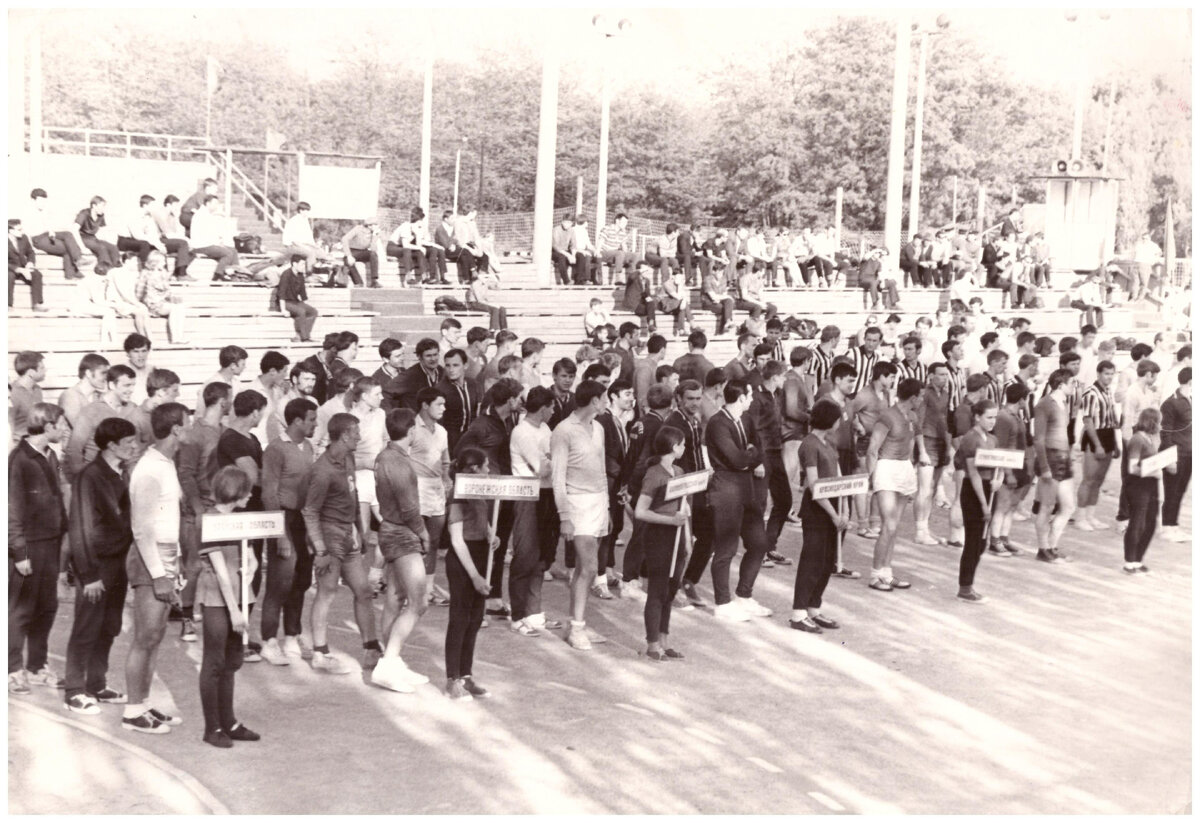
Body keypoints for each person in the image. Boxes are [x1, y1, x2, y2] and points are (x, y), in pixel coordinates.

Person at [123, 402, 189, 734]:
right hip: (150, 562)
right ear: (176, 429)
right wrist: (159, 574)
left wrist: (173, 567)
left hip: (166, 557)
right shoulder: (149, 468)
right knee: (145, 637)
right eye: (186, 424)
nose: (189, 429)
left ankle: (144, 703)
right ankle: (133, 711)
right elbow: (142, 529)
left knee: (156, 635)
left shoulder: (165, 464)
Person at [62, 417, 136, 712]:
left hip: (119, 563)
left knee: (109, 626)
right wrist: (90, 575)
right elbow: (80, 529)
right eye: (128, 443)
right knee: (86, 626)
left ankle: (96, 683)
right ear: (110, 445)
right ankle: (74, 690)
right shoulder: (89, 477)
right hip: (96, 566)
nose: (133, 447)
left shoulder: (122, 472)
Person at [303, 413, 380, 674]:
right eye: (356, 432)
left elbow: (354, 493)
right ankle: (320, 652)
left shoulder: (347, 458)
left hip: (347, 535)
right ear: (345, 434)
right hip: (329, 536)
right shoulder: (322, 470)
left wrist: (361, 528)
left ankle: (371, 649)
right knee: (327, 592)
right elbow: (310, 511)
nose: (360, 436)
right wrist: (320, 549)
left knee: (364, 590)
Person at [195, 467, 262, 747]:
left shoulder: (236, 520)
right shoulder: (209, 521)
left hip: (239, 595)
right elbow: (221, 572)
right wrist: (235, 610)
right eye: (246, 491)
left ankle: (229, 721)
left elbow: (249, 555)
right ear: (235, 492)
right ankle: (212, 728)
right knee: (214, 661)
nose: (250, 496)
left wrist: (254, 564)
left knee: (232, 660)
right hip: (218, 598)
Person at [369, 408, 432, 693]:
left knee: (395, 598)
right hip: (402, 535)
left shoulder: (385, 456)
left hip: (391, 532)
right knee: (419, 602)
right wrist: (424, 534)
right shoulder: (399, 463)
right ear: (410, 431)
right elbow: (409, 508)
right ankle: (389, 662)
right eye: (416, 426)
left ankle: (390, 661)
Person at [9, 403, 69, 697]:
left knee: (47, 607)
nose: (64, 430)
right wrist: (19, 553)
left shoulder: (52, 455)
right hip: (29, 546)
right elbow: (11, 509)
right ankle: (12, 670)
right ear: (47, 427)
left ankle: (36, 666)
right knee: (21, 610)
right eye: (60, 425)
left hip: (51, 543)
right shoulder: (18, 460)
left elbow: (57, 497)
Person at [551, 380, 611, 649]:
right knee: (589, 567)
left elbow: (601, 470)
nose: (607, 401)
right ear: (595, 401)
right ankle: (576, 629)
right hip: (576, 505)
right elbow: (557, 476)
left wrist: (607, 507)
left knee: (583, 571)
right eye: (605, 397)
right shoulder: (563, 430)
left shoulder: (598, 427)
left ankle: (578, 623)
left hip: (598, 503)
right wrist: (564, 514)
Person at [705, 380, 771, 622]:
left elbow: (758, 449)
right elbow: (736, 459)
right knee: (726, 548)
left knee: (759, 543)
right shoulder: (717, 423)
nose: (752, 400)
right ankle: (722, 603)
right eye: (749, 395)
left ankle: (744, 595)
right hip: (726, 489)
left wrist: (750, 456)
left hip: (747, 488)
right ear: (741, 397)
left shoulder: (746, 419)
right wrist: (751, 456)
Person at [257, 398, 317, 664]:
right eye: (312, 419)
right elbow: (269, 492)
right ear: (297, 421)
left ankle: (292, 635)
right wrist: (280, 532)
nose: (316, 424)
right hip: (283, 518)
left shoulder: (309, 447)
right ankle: (269, 641)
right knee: (280, 582)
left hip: (304, 521)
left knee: (301, 580)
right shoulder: (275, 449)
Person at [789, 399, 849, 633]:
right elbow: (814, 484)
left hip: (834, 504)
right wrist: (834, 514)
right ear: (828, 420)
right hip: (818, 508)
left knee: (827, 560)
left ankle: (813, 606)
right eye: (836, 418)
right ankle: (798, 612)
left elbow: (839, 475)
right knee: (812, 560)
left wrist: (843, 509)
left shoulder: (828, 442)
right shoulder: (809, 444)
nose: (839, 422)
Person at [508, 387, 562, 636]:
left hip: (547, 495)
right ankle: (518, 615)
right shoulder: (522, 432)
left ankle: (534, 612)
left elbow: (552, 461)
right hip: (527, 496)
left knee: (543, 558)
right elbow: (542, 467)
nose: (553, 412)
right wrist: (554, 459)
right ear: (543, 408)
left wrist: (552, 460)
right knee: (526, 556)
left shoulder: (544, 429)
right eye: (552, 407)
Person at [443, 447, 496, 699]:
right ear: (474, 469)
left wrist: (489, 533)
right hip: (463, 560)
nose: (489, 471)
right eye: (486, 466)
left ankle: (466, 676)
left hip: (480, 552)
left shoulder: (479, 490)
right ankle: (452, 678)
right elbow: (456, 540)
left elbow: (481, 517)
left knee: (475, 619)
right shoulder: (457, 494)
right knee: (460, 618)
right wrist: (475, 576)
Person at [634, 427, 690, 660]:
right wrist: (670, 520)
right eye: (683, 444)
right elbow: (640, 511)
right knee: (657, 590)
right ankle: (652, 643)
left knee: (670, 590)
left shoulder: (678, 471)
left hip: (677, 537)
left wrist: (687, 538)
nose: (685, 448)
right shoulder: (654, 474)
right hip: (659, 537)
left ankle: (664, 641)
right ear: (674, 447)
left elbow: (684, 507)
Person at [409, 388, 453, 607]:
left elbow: (445, 461)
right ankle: (409, 591)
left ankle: (427, 591)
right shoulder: (412, 429)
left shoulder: (442, 432)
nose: (444, 408)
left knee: (433, 542)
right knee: (415, 541)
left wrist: (446, 479)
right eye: (439, 404)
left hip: (436, 489)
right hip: (416, 488)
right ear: (425, 405)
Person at [954, 399, 1000, 603]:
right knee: (973, 541)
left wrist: (999, 480)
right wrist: (983, 504)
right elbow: (973, 474)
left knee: (982, 542)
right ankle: (965, 587)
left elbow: (998, 465)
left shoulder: (992, 439)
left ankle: (969, 584)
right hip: (974, 492)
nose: (992, 421)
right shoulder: (971, 439)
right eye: (989, 417)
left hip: (990, 489)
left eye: (994, 417)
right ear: (977, 417)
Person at [64, 364, 137, 483]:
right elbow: (74, 449)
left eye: (133, 385)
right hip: (96, 478)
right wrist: (83, 480)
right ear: (112, 385)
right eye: (127, 385)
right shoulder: (91, 410)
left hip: (122, 479)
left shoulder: (132, 409)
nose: (131, 390)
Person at [1032, 369, 1077, 564]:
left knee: (1068, 506)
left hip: (1063, 458)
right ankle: (1043, 548)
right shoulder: (1045, 404)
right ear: (1061, 384)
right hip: (1050, 458)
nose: (1074, 387)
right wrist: (1043, 467)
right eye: (1072, 383)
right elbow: (1039, 438)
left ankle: (1051, 545)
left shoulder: (1063, 403)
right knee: (1047, 506)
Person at [1115, 359, 1161, 533]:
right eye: (1154, 376)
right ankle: (1123, 517)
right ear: (1148, 374)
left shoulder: (1147, 391)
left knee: (1143, 475)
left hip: (1144, 433)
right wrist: (1128, 445)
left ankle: (1136, 515)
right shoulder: (1132, 393)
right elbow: (1126, 421)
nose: (1155, 379)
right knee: (1129, 477)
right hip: (1133, 434)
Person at [1074, 360, 1120, 531]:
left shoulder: (1108, 391)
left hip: (1108, 435)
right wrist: (1098, 445)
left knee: (1099, 480)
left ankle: (1090, 516)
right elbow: (1087, 420)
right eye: (1106, 373)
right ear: (1099, 374)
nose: (1109, 377)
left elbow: (1111, 420)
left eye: (1111, 374)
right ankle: (1080, 517)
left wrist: (1115, 443)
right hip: (1095, 437)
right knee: (1089, 479)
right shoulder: (1090, 393)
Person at [989, 382, 1033, 556]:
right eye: (1025, 399)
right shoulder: (1004, 417)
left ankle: (1004, 537)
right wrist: (1007, 473)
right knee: (1002, 504)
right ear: (1021, 399)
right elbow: (1001, 446)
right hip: (1009, 466)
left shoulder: (1016, 416)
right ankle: (994, 540)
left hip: (1019, 464)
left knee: (1012, 505)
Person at [1122, 408, 1167, 573]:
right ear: (1152, 422)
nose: (1160, 426)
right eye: (1159, 422)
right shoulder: (1137, 440)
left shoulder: (1150, 438)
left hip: (1151, 485)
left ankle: (1138, 558)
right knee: (1137, 522)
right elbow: (1132, 468)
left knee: (1150, 523)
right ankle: (1129, 560)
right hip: (1138, 486)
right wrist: (1153, 471)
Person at [1159, 367, 1192, 544]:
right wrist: (1169, 459)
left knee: (1181, 491)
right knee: (1171, 492)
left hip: (1190, 454)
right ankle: (1166, 528)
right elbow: (1166, 433)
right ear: (1191, 382)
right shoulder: (1170, 403)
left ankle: (1174, 526)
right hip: (1176, 455)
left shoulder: (1192, 401)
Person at [27, 188, 86, 280]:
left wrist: (51, 231)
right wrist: (31, 247)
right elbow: (26, 233)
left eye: (44, 201)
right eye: (40, 201)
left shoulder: (43, 211)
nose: (42, 204)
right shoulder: (28, 213)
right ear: (33, 200)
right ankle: (73, 271)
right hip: (37, 239)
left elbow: (47, 225)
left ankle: (78, 260)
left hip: (47, 235)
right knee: (67, 247)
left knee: (67, 234)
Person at [134, 250, 189, 344]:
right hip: (152, 304)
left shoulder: (163, 273)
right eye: (163, 261)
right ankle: (176, 338)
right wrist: (139, 304)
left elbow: (167, 291)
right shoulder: (146, 273)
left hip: (162, 302)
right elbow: (139, 291)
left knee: (180, 307)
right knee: (176, 309)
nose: (164, 263)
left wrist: (174, 298)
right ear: (156, 262)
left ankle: (178, 337)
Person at [188, 196, 242, 280]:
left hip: (208, 244)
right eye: (215, 203)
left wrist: (219, 242)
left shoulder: (207, 214)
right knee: (228, 253)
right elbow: (205, 235)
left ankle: (236, 274)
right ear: (208, 204)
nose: (216, 206)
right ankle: (218, 275)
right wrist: (218, 244)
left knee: (233, 251)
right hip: (201, 246)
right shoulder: (201, 215)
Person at [8, 219, 48, 312]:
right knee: (8, 276)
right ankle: (7, 305)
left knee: (37, 274)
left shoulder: (24, 238)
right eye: (19, 230)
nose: (22, 231)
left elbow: (30, 252)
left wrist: (30, 263)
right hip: (9, 267)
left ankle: (37, 304)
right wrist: (18, 269)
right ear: (10, 231)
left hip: (23, 265)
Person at [277, 256, 320, 343]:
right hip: (285, 302)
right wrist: (283, 310)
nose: (303, 267)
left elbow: (303, 294)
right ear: (294, 264)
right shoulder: (286, 274)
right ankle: (304, 338)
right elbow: (281, 294)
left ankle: (304, 335)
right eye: (302, 264)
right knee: (301, 311)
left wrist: (306, 306)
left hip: (295, 302)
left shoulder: (300, 275)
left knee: (313, 311)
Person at [9, 351, 46, 444]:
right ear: (31, 373)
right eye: (42, 367)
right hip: (17, 448)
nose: (45, 370)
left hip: (35, 444)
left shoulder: (37, 390)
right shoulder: (12, 393)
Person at [75, 196, 121, 269]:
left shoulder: (101, 215)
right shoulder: (84, 213)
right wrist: (82, 247)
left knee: (113, 247)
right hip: (82, 237)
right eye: (102, 206)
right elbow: (74, 229)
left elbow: (103, 230)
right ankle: (103, 268)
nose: (103, 209)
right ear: (94, 206)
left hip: (93, 238)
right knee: (101, 248)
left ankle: (117, 267)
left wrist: (108, 241)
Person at [340, 217, 381, 288]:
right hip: (353, 250)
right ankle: (358, 282)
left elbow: (373, 249)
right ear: (369, 225)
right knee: (347, 260)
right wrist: (349, 255)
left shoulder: (375, 233)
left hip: (364, 251)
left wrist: (374, 236)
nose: (377, 226)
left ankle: (374, 281)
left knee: (373, 254)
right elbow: (344, 239)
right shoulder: (358, 229)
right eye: (376, 224)